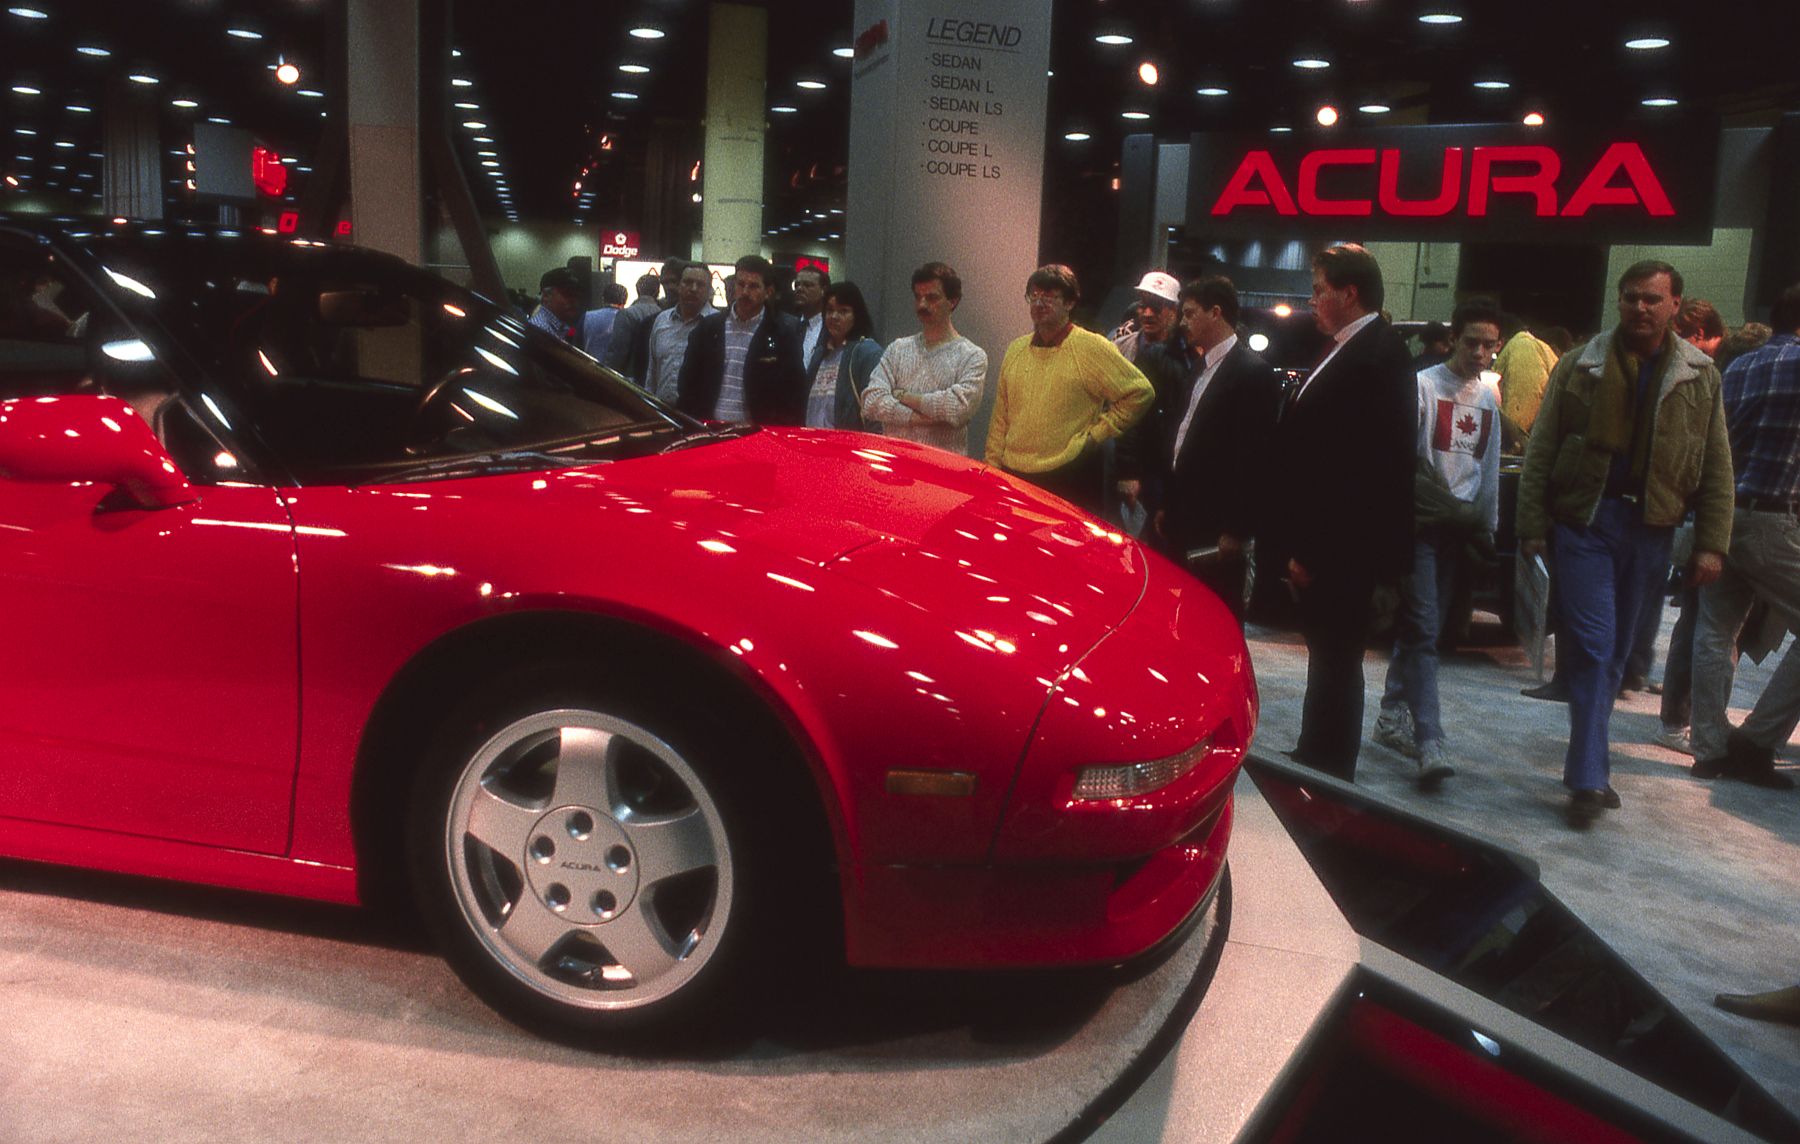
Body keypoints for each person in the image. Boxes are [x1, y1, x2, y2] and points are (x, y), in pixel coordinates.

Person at [1517, 260, 1733, 827]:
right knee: (1592, 645)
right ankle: (1588, 777)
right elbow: (1542, 446)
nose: (1640, 308)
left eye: (1652, 299)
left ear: (1674, 306)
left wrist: (1712, 543)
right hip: (1586, 522)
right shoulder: (1580, 365)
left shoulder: (1698, 374)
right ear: (1619, 301)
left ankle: (1593, 762)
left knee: (1619, 656)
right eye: (1631, 298)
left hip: (1653, 530)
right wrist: (1531, 523)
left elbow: (1715, 465)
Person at [1263, 244, 1416, 782]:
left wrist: (1316, 554)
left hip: (1340, 547)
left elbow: (1362, 474)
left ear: (1349, 293)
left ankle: (1329, 766)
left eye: (1319, 289)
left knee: (1337, 657)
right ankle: (1317, 752)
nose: (1312, 301)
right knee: (1327, 656)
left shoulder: (1374, 356)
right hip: (1330, 541)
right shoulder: (1349, 346)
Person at [1373, 298, 1504, 786]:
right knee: (1425, 629)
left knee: (1424, 626)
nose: (1479, 352)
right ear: (1453, 338)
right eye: (1471, 342)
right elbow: (1412, 461)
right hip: (1424, 526)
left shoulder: (1488, 400)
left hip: (1461, 529)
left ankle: (1391, 715)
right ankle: (1430, 739)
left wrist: (1486, 526)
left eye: (1489, 345)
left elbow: (1487, 467)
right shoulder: (1424, 387)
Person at [1686, 283, 1800, 791]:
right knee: (1718, 631)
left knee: (1715, 630)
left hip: (1724, 513)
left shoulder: (1740, 366)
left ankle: (1709, 748)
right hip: (1773, 518)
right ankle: (1756, 743)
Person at [1156, 274, 1282, 621]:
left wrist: (1238, 529)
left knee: (1215, 617)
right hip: (1184, 517)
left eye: (1190, 313)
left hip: (1217, 527)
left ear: (1216, 313)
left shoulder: (1252, 373)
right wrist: (1167, 502)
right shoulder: (1199, 367)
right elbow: (1182, 436)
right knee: (1181, 615)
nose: (1183, 322)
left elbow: (1254, 458)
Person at [985, 264, 1153, 515]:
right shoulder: (1015, 349)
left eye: (1050, 296)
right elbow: (1001, 417)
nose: (1040, 303)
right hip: (1014, 474)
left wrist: (1097, 434)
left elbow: (1140, 392)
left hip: (1068, 473)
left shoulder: (1091, 347)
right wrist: (991, 469)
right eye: (1034, 295)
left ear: (1070, 303)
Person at [861, 261, 987, 453]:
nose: (922, 305)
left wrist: (902, 395)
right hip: (897, 464)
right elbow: (871, 401)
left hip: (942, 470)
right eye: (918, 297)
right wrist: (918, 417)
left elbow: (958, 408)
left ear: (952, 301)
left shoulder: (971, 356)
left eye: (932, 298)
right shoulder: (898, 349)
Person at [675, 254, 807, 425]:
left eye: (753, 286)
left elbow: (794, 393)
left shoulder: (782, 335)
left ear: (768, 292)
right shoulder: (708, 328)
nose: (745, 292)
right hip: (709, 430)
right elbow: (687, 382)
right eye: (741, 284)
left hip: (757, 435)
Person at [1113, 270, 1194, 537]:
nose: (1147, 313)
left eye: (1156, 307)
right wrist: (1127, 469)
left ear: (1173, 311)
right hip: (1123, 461)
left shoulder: (1189, 355)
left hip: (1165, 469)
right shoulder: (1118, 348)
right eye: (1143, 305)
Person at [804, 281, 881, 430]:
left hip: (846, 446)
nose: (834, 317)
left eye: (843, 311)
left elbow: (875, 411)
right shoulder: (820, 354)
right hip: (812, 444)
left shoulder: (867, 353)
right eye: (829, 310)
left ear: (856, 316)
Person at [647, 262, 715, 404]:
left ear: (709, 290)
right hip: (663, 412)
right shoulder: (662, 321)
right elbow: (652, 373)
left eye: (700, 284)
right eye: (688, 282)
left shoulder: (718, 324)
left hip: (700, 416)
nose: (693, 289)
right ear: (679, 286)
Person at [1495, 314, 1559, 454]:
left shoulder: (1521, 347)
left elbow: (1523, 401)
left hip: (1532, 445)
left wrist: (1513, 441)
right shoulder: (1540, 345)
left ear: (1501, 339)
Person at [605, 271, 663, 383]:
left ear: (637, 290)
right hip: (656, 379)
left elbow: (618, 351)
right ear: (657, 291)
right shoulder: (664, 315)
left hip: (631, 379)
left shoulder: (627, 314)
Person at [528, 267, 583, 342]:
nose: (574, 300)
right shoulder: (541, 330)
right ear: (546, 296)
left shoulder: (561, 324)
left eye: (577, 295)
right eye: (567, 294)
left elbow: (569, 332)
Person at [792, 266, 829, 370]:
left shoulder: (830, 329)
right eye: (797, 285)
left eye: (807, 285)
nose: (799, 289)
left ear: (823, 290)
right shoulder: (789, 326)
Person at [580, 282, 629, 362]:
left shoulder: (586, 317)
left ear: (603, 299)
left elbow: (576, 344)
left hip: (589, 368)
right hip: (616, 373)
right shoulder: (627, 320)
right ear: (624, 302)